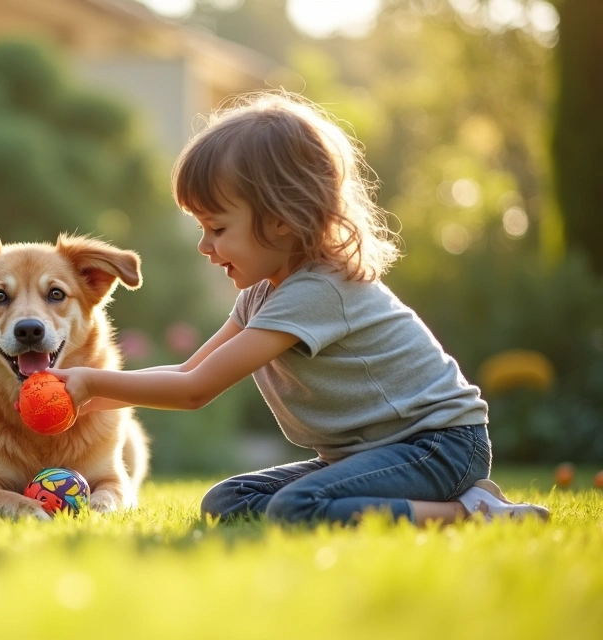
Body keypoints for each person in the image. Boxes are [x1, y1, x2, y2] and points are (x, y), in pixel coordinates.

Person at [47, 93, 550, 526]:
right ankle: (435, 506)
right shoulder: (260, 296)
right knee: (228, 500)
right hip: (370, 454)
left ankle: (471, 512)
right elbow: (186, 370)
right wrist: (85, 402)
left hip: (438, 446)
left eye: (218, 229)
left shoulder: (319, 291)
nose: (205, 245)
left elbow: (195, 391)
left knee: (297, 507)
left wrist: (91, 382)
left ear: (282, 220)